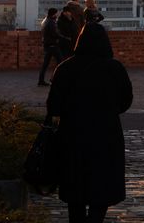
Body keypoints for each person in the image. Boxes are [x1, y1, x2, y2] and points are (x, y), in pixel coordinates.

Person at [47, 22, 133, 223]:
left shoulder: (65, 68)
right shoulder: (115, 69)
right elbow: (126, 101)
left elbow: (53, 106)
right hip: (106, 135)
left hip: (73, 135)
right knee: (101, 188)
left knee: (75, 189)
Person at [38, 7, 63, 86]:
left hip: (47, 45)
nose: (58, 14)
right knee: (61, 62)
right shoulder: (51, 22)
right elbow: (55, 34)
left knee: (45, 64)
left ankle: (41, 80)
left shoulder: (45, 20)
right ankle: (54, 79)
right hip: (53, 45)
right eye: (57, 13)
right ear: (54, 14)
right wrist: (65, 38)